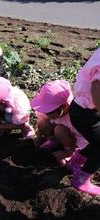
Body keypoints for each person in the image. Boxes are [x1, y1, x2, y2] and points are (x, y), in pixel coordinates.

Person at [30, 80, 88, 165]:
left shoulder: (76, 117)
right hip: (58, 132)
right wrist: (38, 135)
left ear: (63, 107)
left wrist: (67, 153)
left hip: (72, 140)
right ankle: (53, 141)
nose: (46, 114)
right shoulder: (52, 112)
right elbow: (42, 119)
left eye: (49, 112)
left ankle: (66, 149)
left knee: (59, 130)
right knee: (42, 123)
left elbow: (84, 141)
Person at [69, 48, 100, 196]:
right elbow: (97, 88)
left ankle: (77, 160)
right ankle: (81, 180)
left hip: (84, 109)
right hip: (86, 112)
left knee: (97, 141)